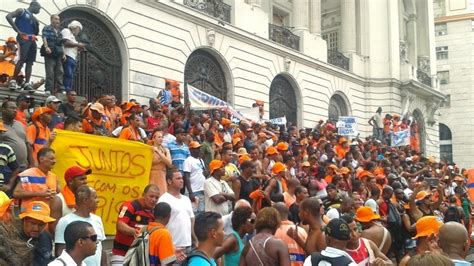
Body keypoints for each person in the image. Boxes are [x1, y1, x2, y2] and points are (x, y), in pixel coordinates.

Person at [55, 186, 106, 265]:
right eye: (95, 197)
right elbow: (59, 250)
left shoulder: (97, 220)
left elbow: (101, 248)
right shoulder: (65, 221)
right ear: (85, 200)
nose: (98, 200)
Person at [111, 184, 159, 265]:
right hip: (121, 253)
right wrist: (134, 232)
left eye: (156, 198)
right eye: (151, 196)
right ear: (143, 195)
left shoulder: (155, 213)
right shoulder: (128, 206)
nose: (154, 200)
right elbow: (120, 225)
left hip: (139, 256)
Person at [158, 167, 195, 263]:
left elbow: (192, 221)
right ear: (169, 181)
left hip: (189, 246)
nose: (182, 181)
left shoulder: (186, 199)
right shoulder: (164, 200)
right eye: (178, 179)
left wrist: (196, 240)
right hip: (173, 247)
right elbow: (160, 225)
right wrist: (171, 246)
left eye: (182, 178)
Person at [6, 1, 41, 83]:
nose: (39, 11)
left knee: (30, 62)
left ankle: (27, 83)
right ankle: (13, 80)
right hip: (23, 39)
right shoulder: (22, 11)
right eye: (38, 9)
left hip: (32, 40)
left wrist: (37, 24)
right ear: (34, 5)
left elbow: (36, 32)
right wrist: (17, 30)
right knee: (22, 59)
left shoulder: (34, 18)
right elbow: (8, 16)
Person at [14, 147, 58, 212]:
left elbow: (58, 195)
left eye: (54, 159)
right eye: (51, 159)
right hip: (29, 215)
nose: (54, 161)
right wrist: (40, 194)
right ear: (41, 159)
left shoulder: (54, 177)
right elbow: (16, 193)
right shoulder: (28, 174)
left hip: (46, 215)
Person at [49, 166, 90, 234]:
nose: (85, 182)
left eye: (85, 179)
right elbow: (54, 230)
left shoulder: (86, 199)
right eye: (82, 179)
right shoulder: (59, 200)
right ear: (70, 181)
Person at [15, 201, 56, 265]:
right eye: (33, 223)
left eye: (41, 225)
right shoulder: (12, 237)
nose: (36, 228)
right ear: (24, 220)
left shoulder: (47, 237)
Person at [0, 100, 32, 169]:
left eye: (15, 108)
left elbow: (27, 144)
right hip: (6, 166)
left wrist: (32, 162)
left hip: (23, 166)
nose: (15, 110)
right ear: (3, 110)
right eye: (11, 108)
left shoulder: (20, 124)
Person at [42, 14, 64, 93]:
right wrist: (46, 47)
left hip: (58, 53)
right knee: (50, 72)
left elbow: (61, 43)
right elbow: (44, 37)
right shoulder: (47, 28)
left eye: (58, 19)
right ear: (51, 20)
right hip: (50, 52)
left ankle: (60, 88)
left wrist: (63, 54)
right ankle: (48, 89)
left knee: (60, 71)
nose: (57, 21)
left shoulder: (59, 31)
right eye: (55, 19)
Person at [61, 20, 85, 92]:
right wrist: (77, 44)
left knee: (71, 75)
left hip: (72, 58)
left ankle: (68, 89)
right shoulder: (66, 31)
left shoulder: (73, 37)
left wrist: (78, 48)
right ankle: (65, 89)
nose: (78, 31)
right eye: (78, 29)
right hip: (67, 56)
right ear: (74, 27)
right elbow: (66, 42)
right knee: (67, 73)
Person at [183, 141, 207, 214]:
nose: (198, 150)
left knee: (202, 213)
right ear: (191, 150)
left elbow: (203, 173)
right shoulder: (188, 161)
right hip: (193, 190)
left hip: (202, 190)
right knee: (194, 213)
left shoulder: (200, 160)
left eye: (199, 148)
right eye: (196, 148)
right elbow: (186, 177)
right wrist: (190, 192)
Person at [149, 130, 172, 195]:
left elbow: (169, 163)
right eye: (159, 137)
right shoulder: (149, 149)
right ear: (153, 138)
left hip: (162, 175)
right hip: (152, 175)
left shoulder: (165, 150)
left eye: (162, 137)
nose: (161, 139)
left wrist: (158, 152)